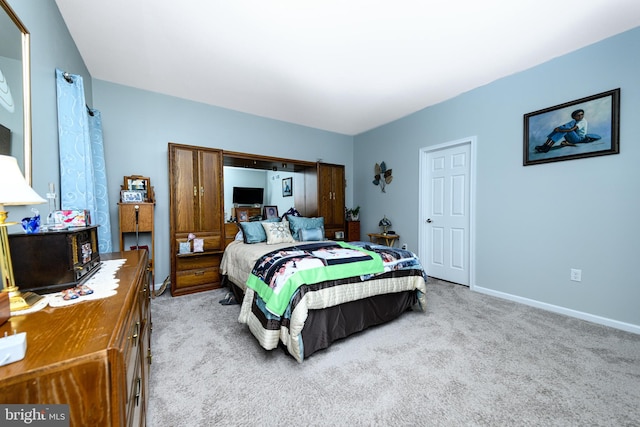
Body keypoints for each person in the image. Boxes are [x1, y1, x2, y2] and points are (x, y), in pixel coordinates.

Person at [535, 109, 601, 153]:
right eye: (578, 115)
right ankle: (545, 145)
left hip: (579, 139)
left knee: (565, 130)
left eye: (582, 114)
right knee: (562, 127)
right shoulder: (574, 120)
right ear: (574, 117)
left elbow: (571, 129)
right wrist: (558, 128)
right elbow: (566, 126)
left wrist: (560, 130)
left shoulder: (582, 122)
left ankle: (548, 147)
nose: (580, 116)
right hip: (573, 138)